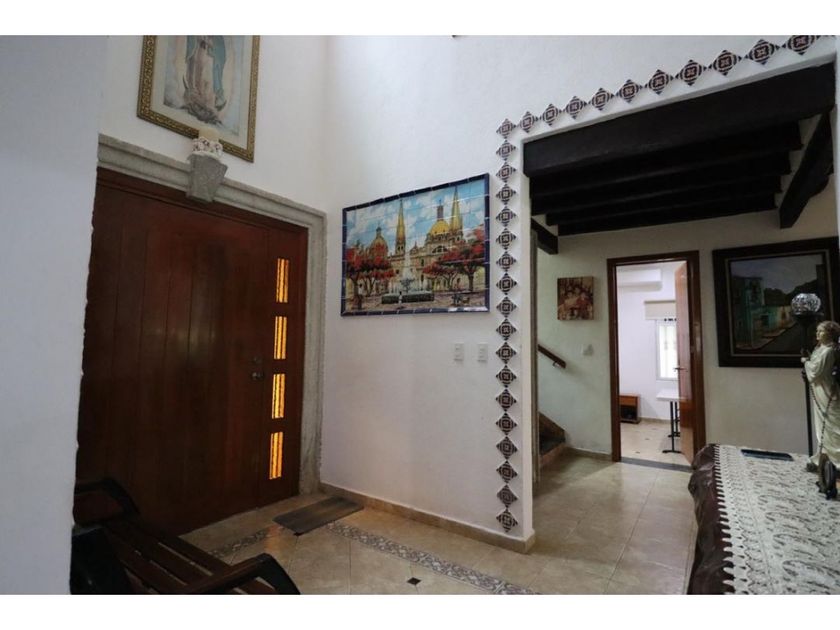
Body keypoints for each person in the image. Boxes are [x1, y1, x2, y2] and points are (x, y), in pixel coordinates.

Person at [802, 320, 840, 471]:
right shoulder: (820, 348)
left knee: (831, 424)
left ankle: (836, 460)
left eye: (821, 331)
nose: (817, 334)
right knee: (822, 425)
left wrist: (806, 362)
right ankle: (822, 457)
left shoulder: (829, 351)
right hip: (819, 390)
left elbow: (816, 372)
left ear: (830, 334)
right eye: (817, 331)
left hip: (826, 391)